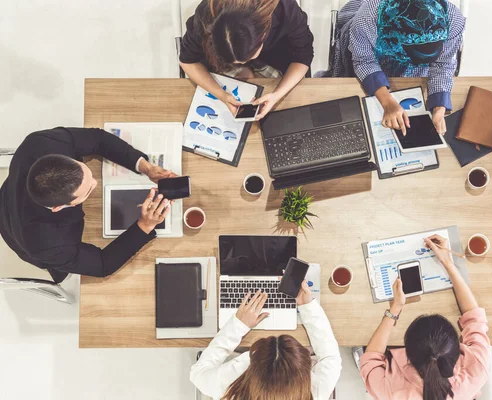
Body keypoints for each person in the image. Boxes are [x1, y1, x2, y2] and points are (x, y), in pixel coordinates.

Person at [0, 127, 176, 283]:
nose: (96, 183)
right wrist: (144, 225)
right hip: (15, 230)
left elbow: (98, 139)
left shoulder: (41, 142)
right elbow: (102, 264)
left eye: (87, 174)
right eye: (88, 190)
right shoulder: (48, 245)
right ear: (58, 208)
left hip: (13, 189)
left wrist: (146, 167)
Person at [360, 234, 490, 400]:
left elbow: (370, 359)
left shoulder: (391, 392)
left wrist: (396, 308)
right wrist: (447, 262)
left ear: (406, 351)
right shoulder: (475, 370)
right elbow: (475, 318)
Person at [329, 0, 466, 135]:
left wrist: (439, 108)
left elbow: (442, 64)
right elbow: (364, 60)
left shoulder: (453, 19)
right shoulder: (368, 18)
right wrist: (387, 102)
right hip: (371, 49)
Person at [190, 281, 342, 400]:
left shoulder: (231, 389)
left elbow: (198, 373)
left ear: (252, 367)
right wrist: (307, 306)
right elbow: (331, 358)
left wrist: (238, 325)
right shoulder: (314, 392)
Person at [179, 0, 314, 120]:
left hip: (276, 60)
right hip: (220, 68)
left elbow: (303, 57)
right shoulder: (206, 14)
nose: (241, 64)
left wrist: (276, 96)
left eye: (247, 59)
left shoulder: (284, 9)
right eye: (237, 63)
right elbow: (187, 60)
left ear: (264, 35)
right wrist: (221, 95)